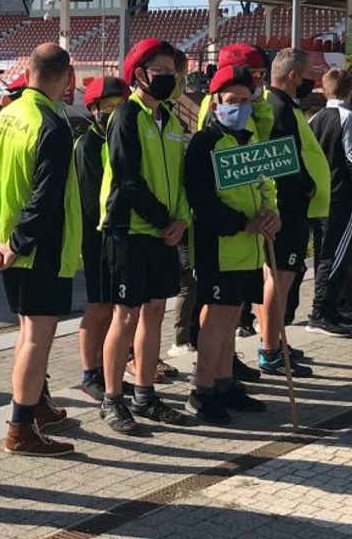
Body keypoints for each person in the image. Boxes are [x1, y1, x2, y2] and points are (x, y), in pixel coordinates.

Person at [0, 43, 81, 456]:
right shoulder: (51, 125)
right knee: (38, 336)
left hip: (8, 243)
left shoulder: (5, 117)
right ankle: (20, 428)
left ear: (30, 71)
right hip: (38, 247)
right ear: (66, 77)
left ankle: (34, 402)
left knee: (27, 331)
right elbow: (45, 197)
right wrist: (18, 244)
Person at [99, 38, 194, 433]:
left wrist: (181, 220)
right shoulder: (125, 116)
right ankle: (111, 398)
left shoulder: (171, 120)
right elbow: (127, 178)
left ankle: (145, 393)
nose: (170, 78)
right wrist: (164, 221)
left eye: (173, 71)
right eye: (162, 71)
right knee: (125, 315)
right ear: (139, 74)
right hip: (129, 229)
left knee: (154, 311)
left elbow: (182, 179)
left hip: (163, 232)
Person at [183, 66, 279, 424]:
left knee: (232, 315)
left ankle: (224, 383)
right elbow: (202, 201)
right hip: (219, 246)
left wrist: (272, 214)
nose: (239, 107)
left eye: (245, 101)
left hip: (249, 249)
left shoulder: (249, 140)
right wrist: (242, 223)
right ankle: (202, 390)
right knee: (217, 317)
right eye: (232, 101)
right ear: (215, 104)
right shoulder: (204, 143)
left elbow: (266, 185)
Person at [257, 48, 323, 378]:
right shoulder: (279, 108)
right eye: (309, 74)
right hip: (287, 206)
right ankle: (270, 349)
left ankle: (273, 340)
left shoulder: (276, 104)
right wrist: (307, 186)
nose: (313, 80)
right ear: (293, 75)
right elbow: (282, 160)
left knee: (275, 277)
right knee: (280, 278)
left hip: (285, 205)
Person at [75, 75, 128, 401]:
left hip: (120, 234)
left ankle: (108, 370)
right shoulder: (88, 145)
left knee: (113, 307)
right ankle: (89, 372)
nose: (114, 112)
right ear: (93, 109)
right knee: (98, 306)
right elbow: (89, 199)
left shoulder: (120, 137)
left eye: (120, 105)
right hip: (96, 236)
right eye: (108, 106)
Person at [307, 67, 352, 338]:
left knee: (324, 254)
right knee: (335, 256)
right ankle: (320, 313)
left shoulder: (315, 118)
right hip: (339, 196)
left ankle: (328, 309)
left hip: (319, 196)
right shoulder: (348, 117)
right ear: (350, 90)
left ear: (325, 90)